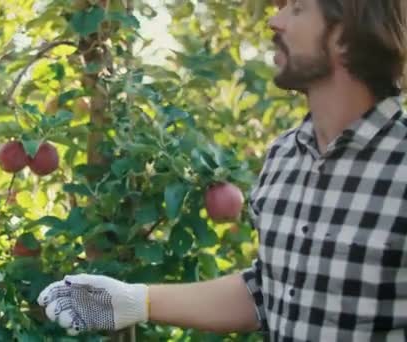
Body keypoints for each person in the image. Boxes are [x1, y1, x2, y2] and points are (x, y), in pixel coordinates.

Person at [37, 0, 407, 340]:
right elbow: (267, 292)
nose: (275, 21)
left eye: (296, 8)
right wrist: (136, 301)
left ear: (344, 36)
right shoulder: (284, 157)